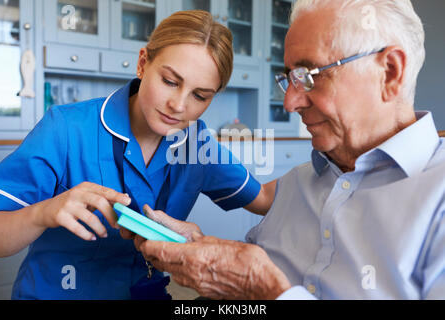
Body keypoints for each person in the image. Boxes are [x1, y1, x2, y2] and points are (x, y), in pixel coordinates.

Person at [134, 0, 445, 299]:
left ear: (389, 71)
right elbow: (254, 266)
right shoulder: (298, 182)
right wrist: (203, 247)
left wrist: (268, 292)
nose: (289, 103)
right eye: (291, 79)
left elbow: (261, 279)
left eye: (308, 76)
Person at [0, 10, 277, 300]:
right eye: (170, 81)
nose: (179, 105)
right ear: (143, 64)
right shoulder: (66, 128)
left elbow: (266, 198)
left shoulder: (198, 145)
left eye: (200, 96)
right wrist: (43, 213)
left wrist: (327, 156)